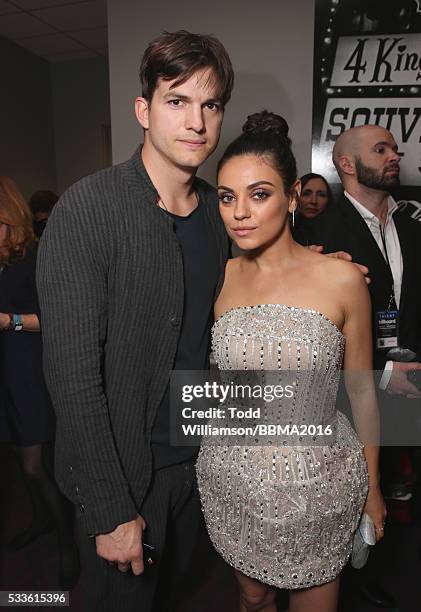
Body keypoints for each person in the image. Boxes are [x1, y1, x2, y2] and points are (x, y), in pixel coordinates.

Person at [36, 30, 233, 612]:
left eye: (211, 104)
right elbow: (71, 376)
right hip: (124, 480)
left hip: (197, 470)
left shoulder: (219, 219)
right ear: (143, 110)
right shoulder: (88, 208)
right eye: (178, 101)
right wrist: (109, 507)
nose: (196, 121)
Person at [196, 111, 386, 612]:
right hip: (234, 479)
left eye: (259, 194)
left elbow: (363, 391)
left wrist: (374, 487)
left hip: (321, 484)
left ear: (293, 194)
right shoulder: (219, 279)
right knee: (251, 597)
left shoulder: (341, 279)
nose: (240, 212)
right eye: (227, 196)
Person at [297, 124, 421, 608]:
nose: (395, 155)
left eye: (394, 148)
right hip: (349, 405)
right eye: (381, 149)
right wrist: (384, 372)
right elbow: (316, 339)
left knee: (395, 508)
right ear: (346, 164)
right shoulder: (315, 237)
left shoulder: (412, 227)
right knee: (347, 516)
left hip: (410, 398)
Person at [0, 176, 78, 588]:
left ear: (10, 216)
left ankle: (68, 541)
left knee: (35, 464)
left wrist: (7, 321)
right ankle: (41, 521)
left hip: (28, 369)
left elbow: (54, 319)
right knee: (19, 458)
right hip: (4, 374)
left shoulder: (34, 256)